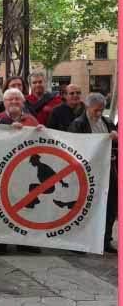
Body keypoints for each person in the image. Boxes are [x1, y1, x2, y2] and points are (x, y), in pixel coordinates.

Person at [0, 88, 43, 254]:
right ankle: (1, 242)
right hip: (3, 172)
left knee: (26, 207)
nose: (13, 102)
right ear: (4, 102)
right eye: (9, 99)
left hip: (25, 172)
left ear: (23, 102)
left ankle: (24, 241)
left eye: (17, 99)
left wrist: (43, 132)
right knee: (2, 206)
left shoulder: (32, 120)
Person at [68, 93, 118, 253]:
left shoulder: (108, 122)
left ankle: (105, 240)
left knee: (110, 204)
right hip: (87, 172)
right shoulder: (78, 123)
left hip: (107, 169)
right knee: (85, 205)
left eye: (101, 110)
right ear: (87, 107)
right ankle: (79, 240)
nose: (98, 114)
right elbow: (73, 147)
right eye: (96, 110)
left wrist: (117, 137)